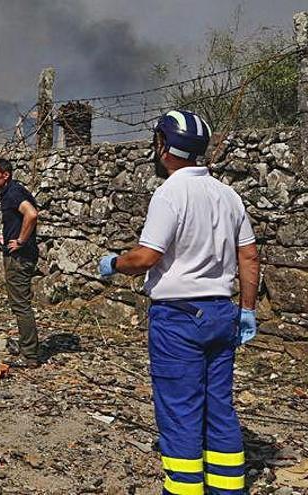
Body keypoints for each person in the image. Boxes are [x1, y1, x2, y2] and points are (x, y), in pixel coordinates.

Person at [97, 110, 259, 495]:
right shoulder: (227, 195)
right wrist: (248, 310)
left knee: (180, 411)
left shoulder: (170, 193)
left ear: (163, 147)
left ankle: (184, 489)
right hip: (222, 313)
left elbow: (146, 258)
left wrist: (115, 263)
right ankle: (228, 488)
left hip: (180, 319)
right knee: (218, 406)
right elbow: (249, 256)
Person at [0, 158, 41, 368]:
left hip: (20, 257)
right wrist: (6, 236)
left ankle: (29, 355)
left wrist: (20, 241)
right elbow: (22, 218)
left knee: (20, 305)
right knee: (19, 304)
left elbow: (32, 214)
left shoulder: (13, 193)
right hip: (17, 253)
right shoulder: (11, 191)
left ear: (5, 175)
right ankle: (28, 348)